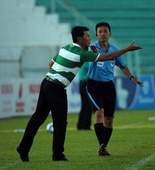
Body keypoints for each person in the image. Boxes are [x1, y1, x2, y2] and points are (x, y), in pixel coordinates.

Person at [16, 26, 142, 162]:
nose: (90, 38)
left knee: (37, 118)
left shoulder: (66, 48)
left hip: (46, 83)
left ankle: (23, 147)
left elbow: (51, 63)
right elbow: (108, 57)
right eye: (87, 36)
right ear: (80, 39)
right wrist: (127, 49)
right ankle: (57, 155)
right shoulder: (81, 54)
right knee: (60, 122)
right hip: (56, 88)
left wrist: (59, 73)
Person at [86, 22, 143, 156]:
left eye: (105, 31)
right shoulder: (92, 48)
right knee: (99, 112)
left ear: (110, 34)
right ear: (96, 35)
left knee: (109, 120)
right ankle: (101, 146)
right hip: (93, 85)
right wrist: (127, 49)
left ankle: (103, 147)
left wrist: (131, 77)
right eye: (100, 31)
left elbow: (122, 66)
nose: (102, 34)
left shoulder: (114, 49)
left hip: (109, 86)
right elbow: (96, 55)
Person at [77, 62, 92, 130]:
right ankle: (86, 125)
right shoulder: (87, 62)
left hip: (82, 83)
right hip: (86, 83)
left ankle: (80, 125)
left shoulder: (83, 61)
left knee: (84, 105)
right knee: (88, 105)